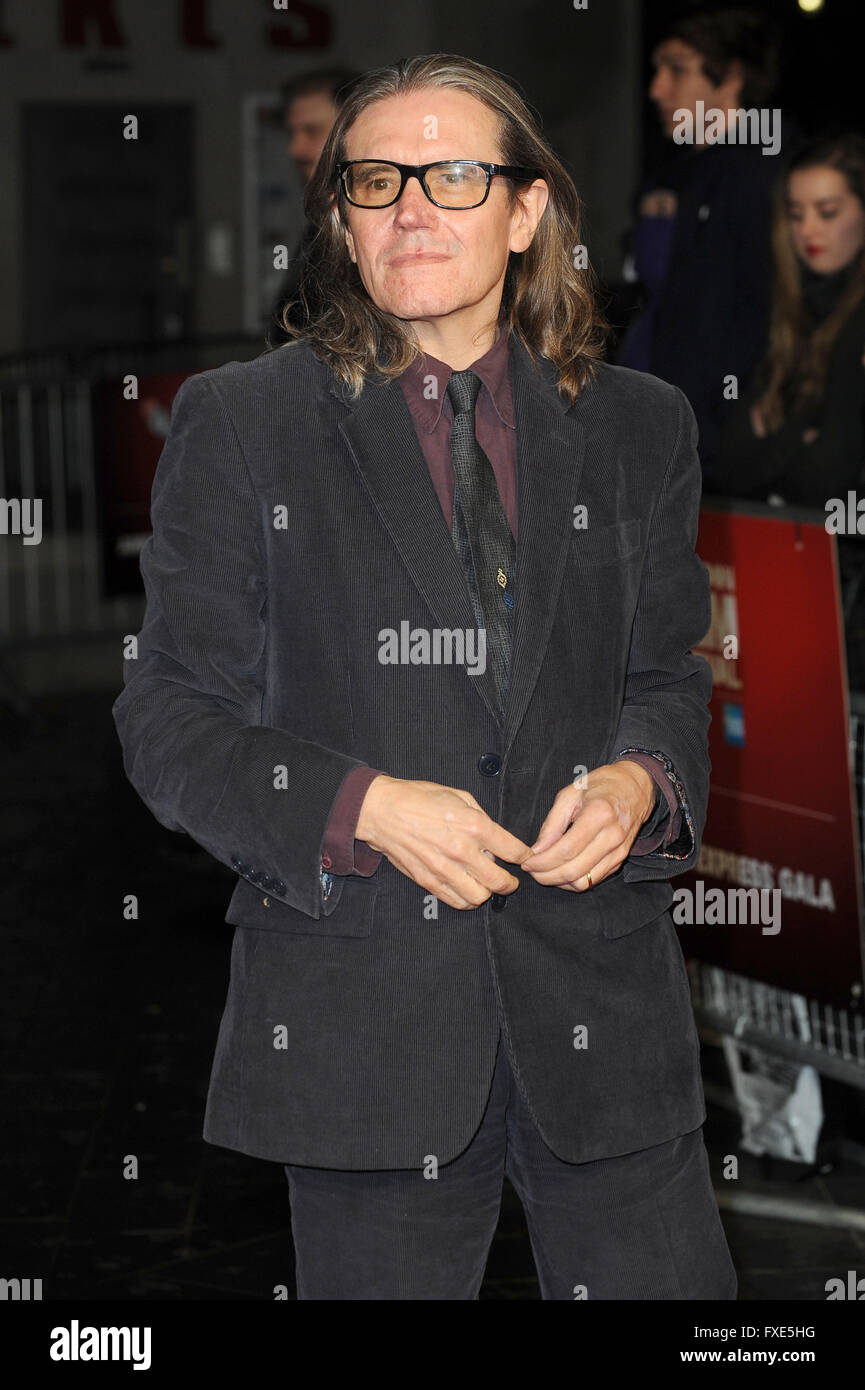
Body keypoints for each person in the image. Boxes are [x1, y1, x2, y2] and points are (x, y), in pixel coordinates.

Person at [113, 53, 736, 1302]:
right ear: (340, 220)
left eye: (453, 175)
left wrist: (639, 781)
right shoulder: (242, 425)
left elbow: (665, 670)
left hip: (603, 1018)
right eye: (375, 179)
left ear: (526, 211)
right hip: (362, 1022)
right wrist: (364, 807)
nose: (409, 207)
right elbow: (170, 716)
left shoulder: (640, 423)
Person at [720, 133, 865, 689]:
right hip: (794, 579)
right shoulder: (788, 313)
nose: (809, 231)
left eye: (828, 213)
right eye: (797, 214)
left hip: (847, 592)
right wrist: (801, 437)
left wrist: (780, 436)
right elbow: (731, 460)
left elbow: (829, 480)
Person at [617, 7, 781, 490]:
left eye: (677, 69)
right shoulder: (677, 175)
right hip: (657, 440)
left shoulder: (763, 176)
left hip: (711, 457)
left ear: (730, 77)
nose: (657, 90)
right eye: (657, 69)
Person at [268, 66, 361, 343]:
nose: (295, 148)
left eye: (311, 131)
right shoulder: (321, 218)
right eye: (292, 133)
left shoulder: (375, 220)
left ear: (354, 130)